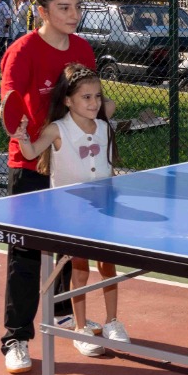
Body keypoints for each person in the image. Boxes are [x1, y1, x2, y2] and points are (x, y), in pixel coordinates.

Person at [0, 0, 111, 374]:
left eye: (78, 6)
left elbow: (88, 95)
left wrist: (104, 110)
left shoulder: (81, 48)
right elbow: (10, 100)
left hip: (72, 163)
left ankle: (66, 318)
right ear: (42, 11)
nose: (74, 15)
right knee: (26, 252)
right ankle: (16, 337)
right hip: (30, 163)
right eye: (64, 7)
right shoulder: (22, 50)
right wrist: (18, 128)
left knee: (71, 247)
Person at [13, 62, 129, 359]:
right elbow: (30, 152)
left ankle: (113, 321)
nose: (94, 103)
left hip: (104, 210)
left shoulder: (103, 126)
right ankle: (80, 328)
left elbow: (109, 108)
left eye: (97, 97)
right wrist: (22, 135)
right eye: (86, 97)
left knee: (108, 265)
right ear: (67, 100)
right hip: (70, 213)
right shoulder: (57, 129)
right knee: (80, 269)